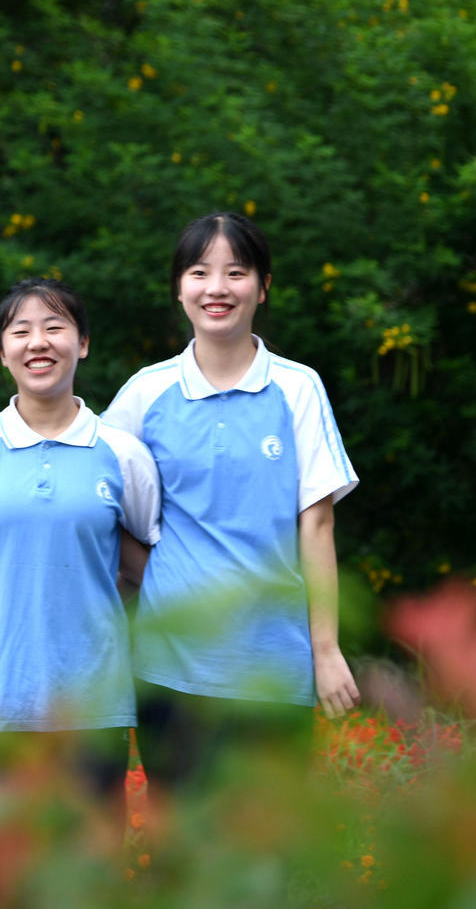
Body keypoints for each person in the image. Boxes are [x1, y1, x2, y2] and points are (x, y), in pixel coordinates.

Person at [102, 211, 360, 790]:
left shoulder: (297, 387)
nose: (217, 288)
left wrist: (326, 651)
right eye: (200, 272)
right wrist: (155, 572)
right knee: (180, 842)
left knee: (264, 847)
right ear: (178, 287)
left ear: (263, 287)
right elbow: (95, 503)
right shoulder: (146, 393)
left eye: (236, 272)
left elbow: (316, 526)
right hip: (170, 664)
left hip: (274, 661)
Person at [0, 277, 161, 799]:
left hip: (92, 701)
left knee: (89, 864)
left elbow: (146, 565)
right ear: (3, 353)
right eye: (20, 331)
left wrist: (88, 609)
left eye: (55, 327)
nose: (38, 342)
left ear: (84, 343)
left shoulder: (121, 453)